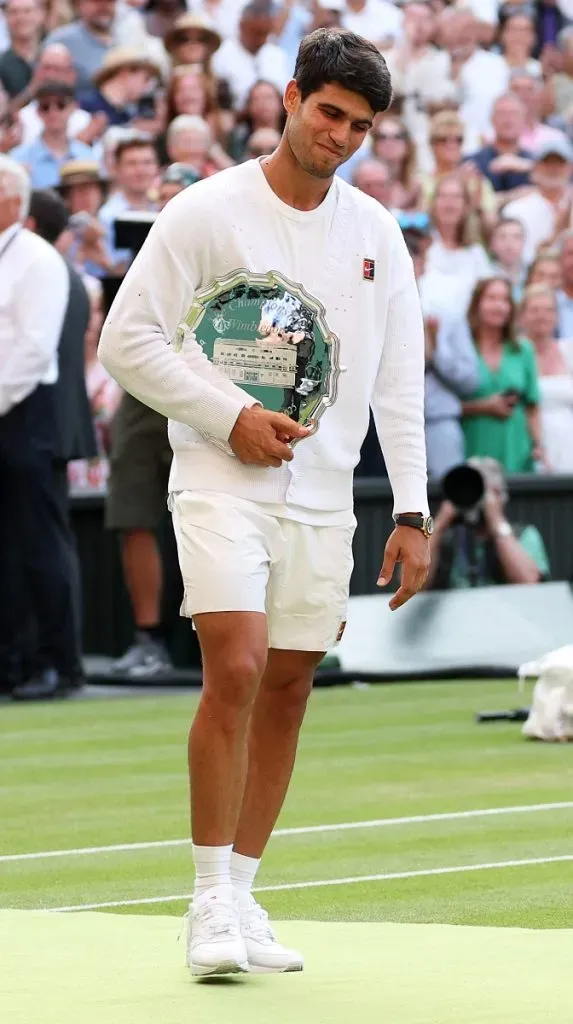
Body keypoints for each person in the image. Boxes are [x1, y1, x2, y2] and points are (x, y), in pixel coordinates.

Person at [99, 28, 431, 978]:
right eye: (328, 114)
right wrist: (228, 413)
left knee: (288, 688)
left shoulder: (377, 233)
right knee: (237, 667)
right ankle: (206, 901)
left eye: (359, 126)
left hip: (327, 498)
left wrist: (410, 514)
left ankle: (242, 893)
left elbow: (397, 383)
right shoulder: (204, 211)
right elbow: (128, 341)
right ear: (289, 99)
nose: (339, 137)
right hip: (217, 476)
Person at [11, 187, 98, 700]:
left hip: (38, 427)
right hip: (44, 426)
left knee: (42, 547)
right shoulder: (54, 272)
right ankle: (34, 660)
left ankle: (56, 662)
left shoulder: (45, 271)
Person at [0, 156, 77, 698]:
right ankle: (12, 660)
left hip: (26, 414)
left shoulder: (37, 259)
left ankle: (57, 662)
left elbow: (31, 352)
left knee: (38, 542)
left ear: (11, 199)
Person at [426, 456, 550, 589]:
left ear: (498, 494)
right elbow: (412, 586)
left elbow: (530, 583)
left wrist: (496, 521)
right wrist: (438, 526)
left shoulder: (524, 535)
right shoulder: (447, 540)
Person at [462, 276, 544, 473]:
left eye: (505, 300)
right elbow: (444, 407)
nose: (498, 306)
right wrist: (482, 407)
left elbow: (532, 406)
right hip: (473, 444)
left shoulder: (523, 350)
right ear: (477, 303)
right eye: (491, 298)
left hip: (517, 449)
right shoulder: (463, 349)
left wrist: (538, 445)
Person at [520, 282, 573, 472]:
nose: (541, 316)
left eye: (549, 310)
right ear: (522, 316)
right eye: (534, 310)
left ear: (557, 317)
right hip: (529, 446)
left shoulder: (569, 351)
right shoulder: (515, 354)